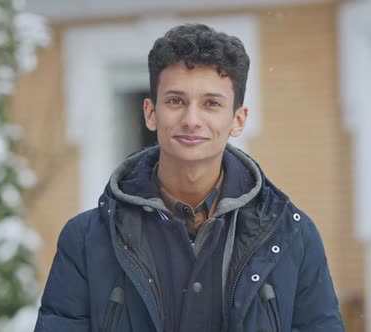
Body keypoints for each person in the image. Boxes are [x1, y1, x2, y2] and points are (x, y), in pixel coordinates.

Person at [34, 23, 344, 332]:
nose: (191, 120)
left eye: (211, 103)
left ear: (238, 120)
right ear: (151, 113)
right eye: (176, 101)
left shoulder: (292, 236)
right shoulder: (86, 240)